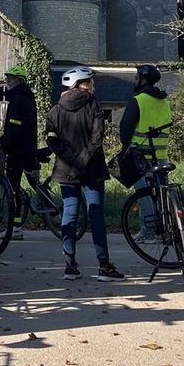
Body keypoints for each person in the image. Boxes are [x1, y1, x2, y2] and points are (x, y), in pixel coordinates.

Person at [45, 65, 124, 282]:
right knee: (96, 214)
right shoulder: (94, 105)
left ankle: (70, 266)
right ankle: (104, 266)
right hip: (93, 170)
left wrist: (71, 160)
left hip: (65, 171)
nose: (94, 86)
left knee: (69, 215)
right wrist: (83, 160)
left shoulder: (55, 110)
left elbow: (51, 140)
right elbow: (97, 138)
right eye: (91, 82)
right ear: (83, 85)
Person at [119, 64, 172, 242]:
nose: (134, 81)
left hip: (142, 156)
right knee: (161, 194)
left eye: (136, 78)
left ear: (143, 80)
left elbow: (125, 129)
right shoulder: (164, 102)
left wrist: (126, 145)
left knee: (145, 194)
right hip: (161, 155)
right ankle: (165, 230)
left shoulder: (139, 100)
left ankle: (148, 232)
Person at [0, 65, 37, 241]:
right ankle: (51, 210)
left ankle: (16, 226)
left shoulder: (18, 100)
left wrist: (3, 146)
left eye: (11, 78)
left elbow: (13, 127)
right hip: (28, 148)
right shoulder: (26, 97)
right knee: (34, 183)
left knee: (12, 189)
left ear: (19, 80)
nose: (7, 82)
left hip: (17, 151)